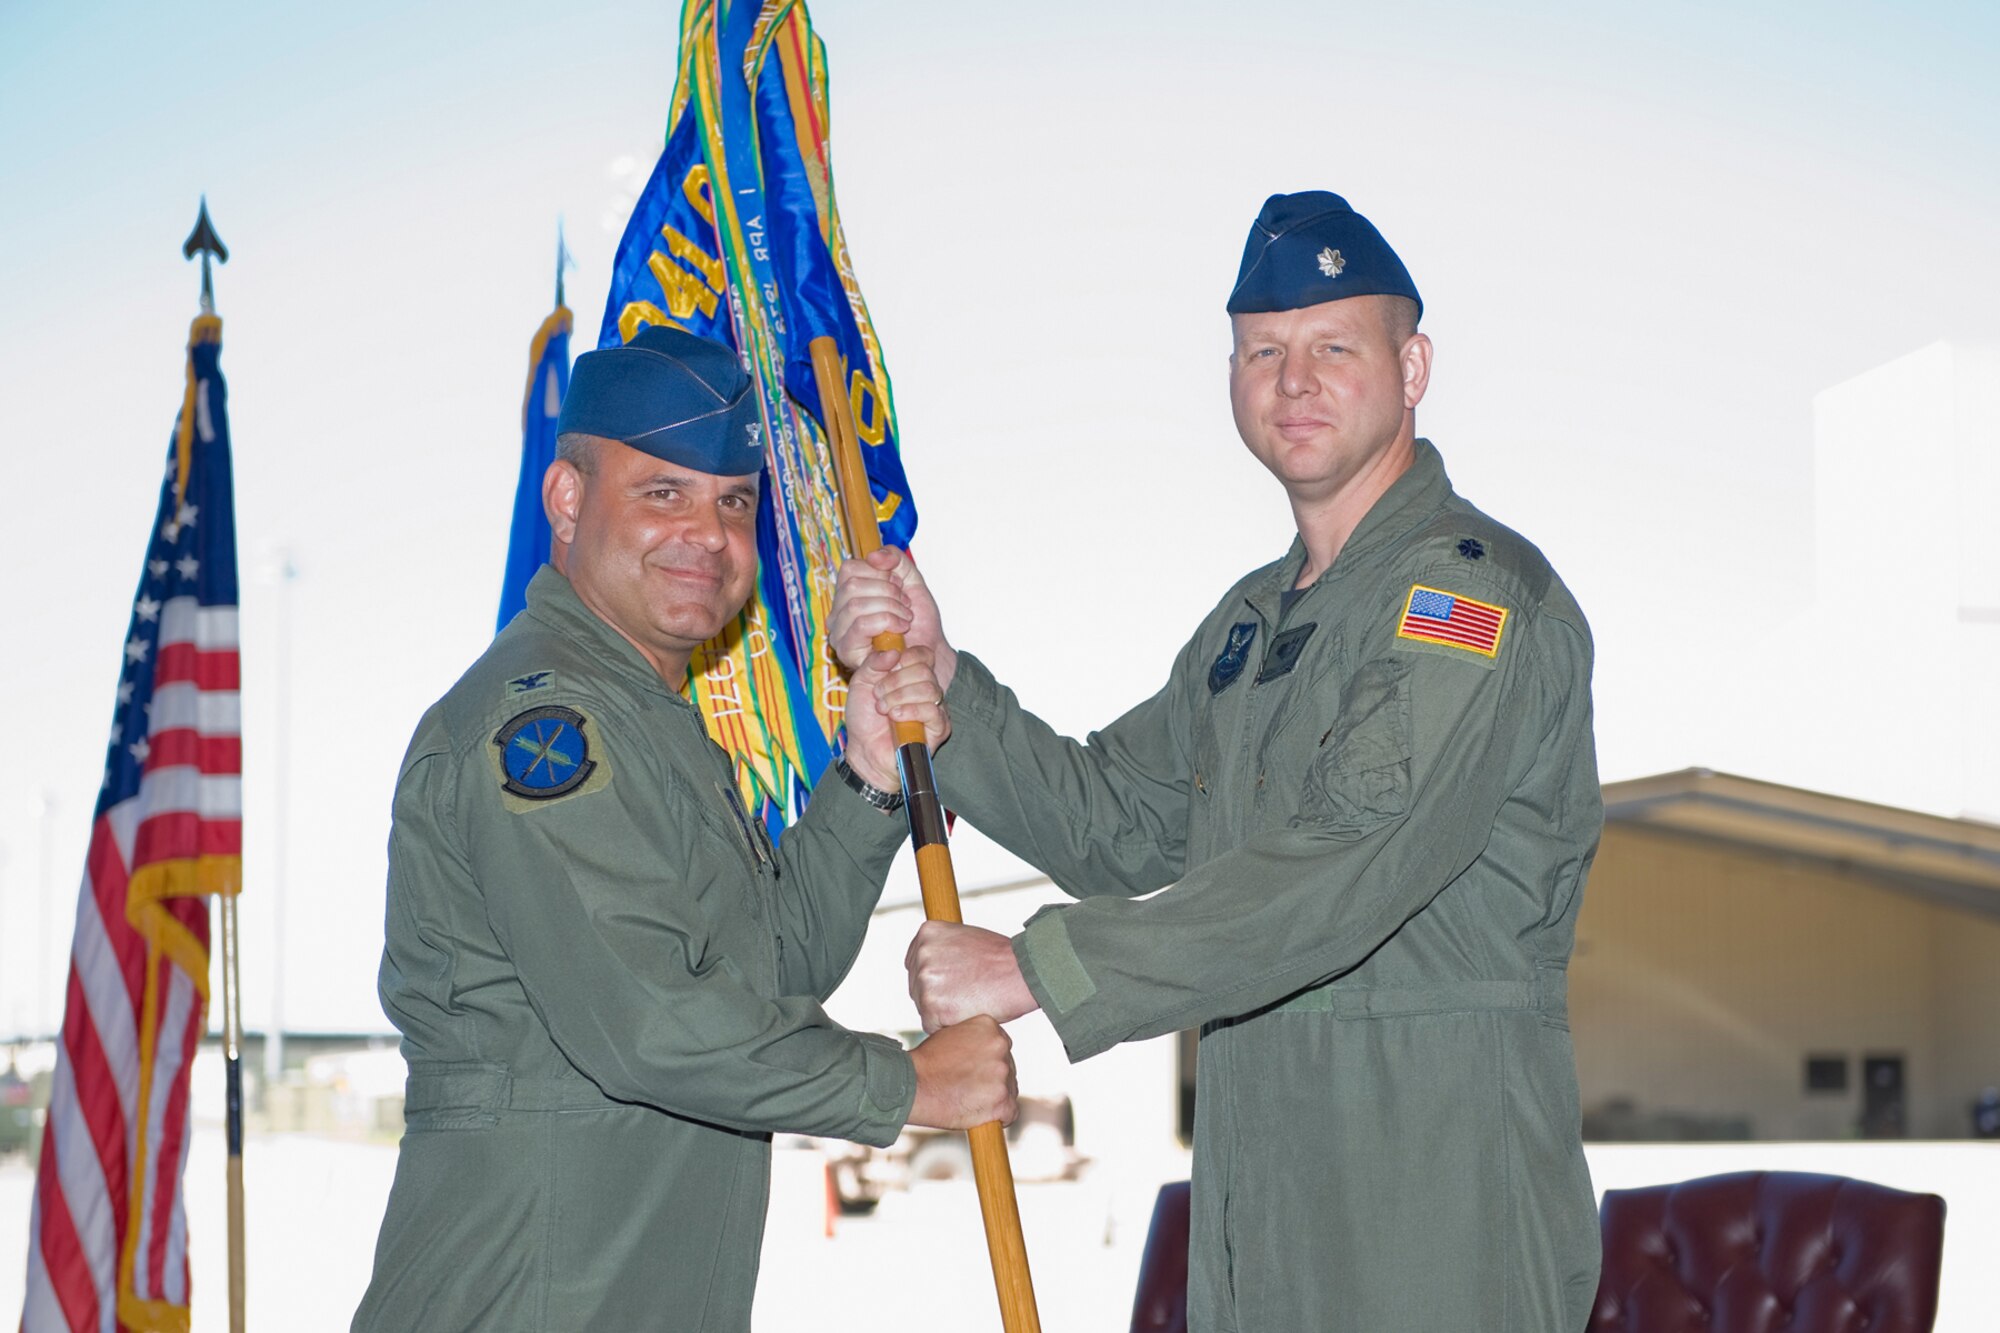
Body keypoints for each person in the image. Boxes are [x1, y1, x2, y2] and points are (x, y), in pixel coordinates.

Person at [833, 191, 1602, 1331]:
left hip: (1429, 1196)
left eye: (1333, 346)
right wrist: (950, 688)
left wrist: (1037, 969)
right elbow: (1117, 822)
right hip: (1261, 1190)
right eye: (1261, 352)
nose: (1293, 380)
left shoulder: (1465, 596)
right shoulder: (1250, 624)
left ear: (1413, 367)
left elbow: (1344, 862)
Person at [352, 325, 1016, 1333]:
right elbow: (652, 1023)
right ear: (566, 500)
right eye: (662, 492)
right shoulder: (543, 726)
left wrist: (869, 779)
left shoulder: (654, 727)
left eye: (733, 502)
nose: (704, 534)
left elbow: (769, 970)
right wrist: (906, 1082)